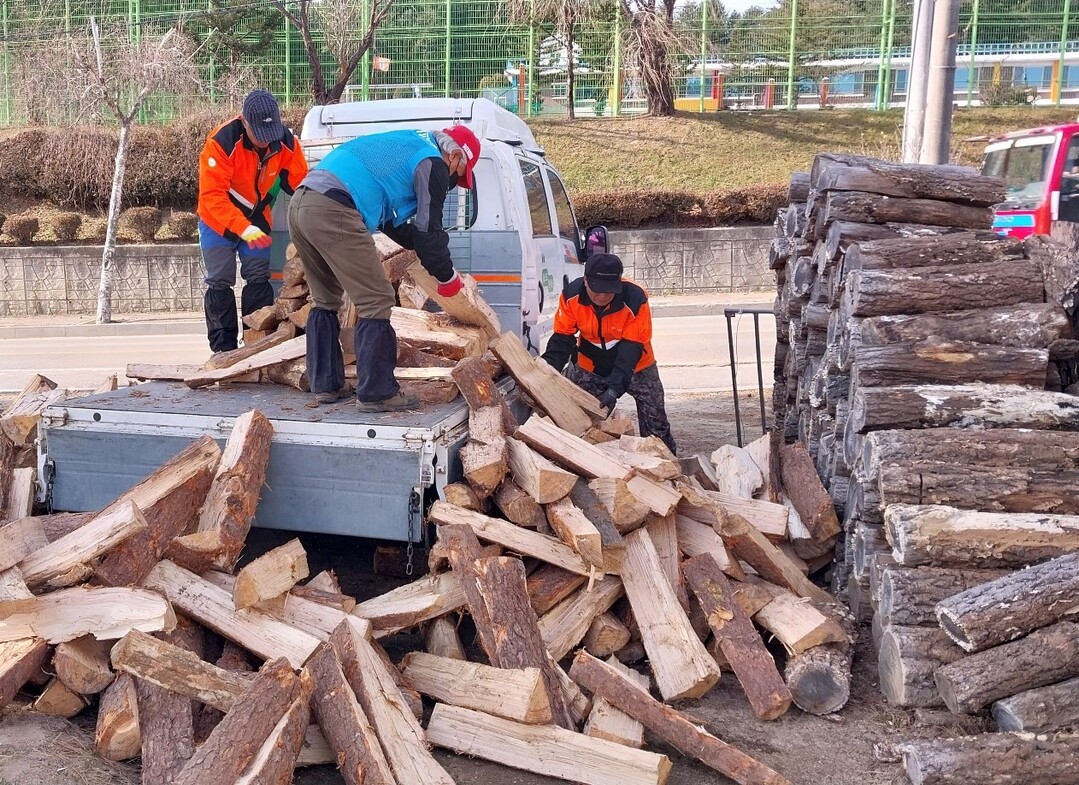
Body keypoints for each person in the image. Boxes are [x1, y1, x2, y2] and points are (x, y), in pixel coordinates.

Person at [287, 125, 481, 411]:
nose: (453, 182)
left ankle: (326, 385)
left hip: (302, 203)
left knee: (325, 299)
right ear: (454, 157)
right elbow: (429, 231)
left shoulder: (410, 144)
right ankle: (377, 392)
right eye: (459, 175)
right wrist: (448, 277)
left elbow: (392, 223)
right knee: (376, 298)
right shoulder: (433, 164)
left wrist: (423, 246)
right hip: (334, 207)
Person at [197, 89, 308, 353]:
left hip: (256, 218)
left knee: (258, 276)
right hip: (217, 221)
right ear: (244, 122)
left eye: (269, 135)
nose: (264, 142)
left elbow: (300, 181)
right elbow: (213, 196)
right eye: (258, 134)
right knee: (220, 279)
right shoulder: (221, 143)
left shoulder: (286, 143)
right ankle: (222, 349)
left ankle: (256, 340)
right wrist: (242, 227)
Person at [541, 253, 677, 454]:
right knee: (582, 424)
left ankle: (667, 468)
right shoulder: (571, 297)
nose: (603, 296)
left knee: (656, 425)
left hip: (638, 367)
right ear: (586, 280)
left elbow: (632, 347)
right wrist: (546, 371)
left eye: (609, 290)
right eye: (597, 290)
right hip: (590, 367)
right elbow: (562, 339)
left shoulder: (635, 297)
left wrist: (614, 389)